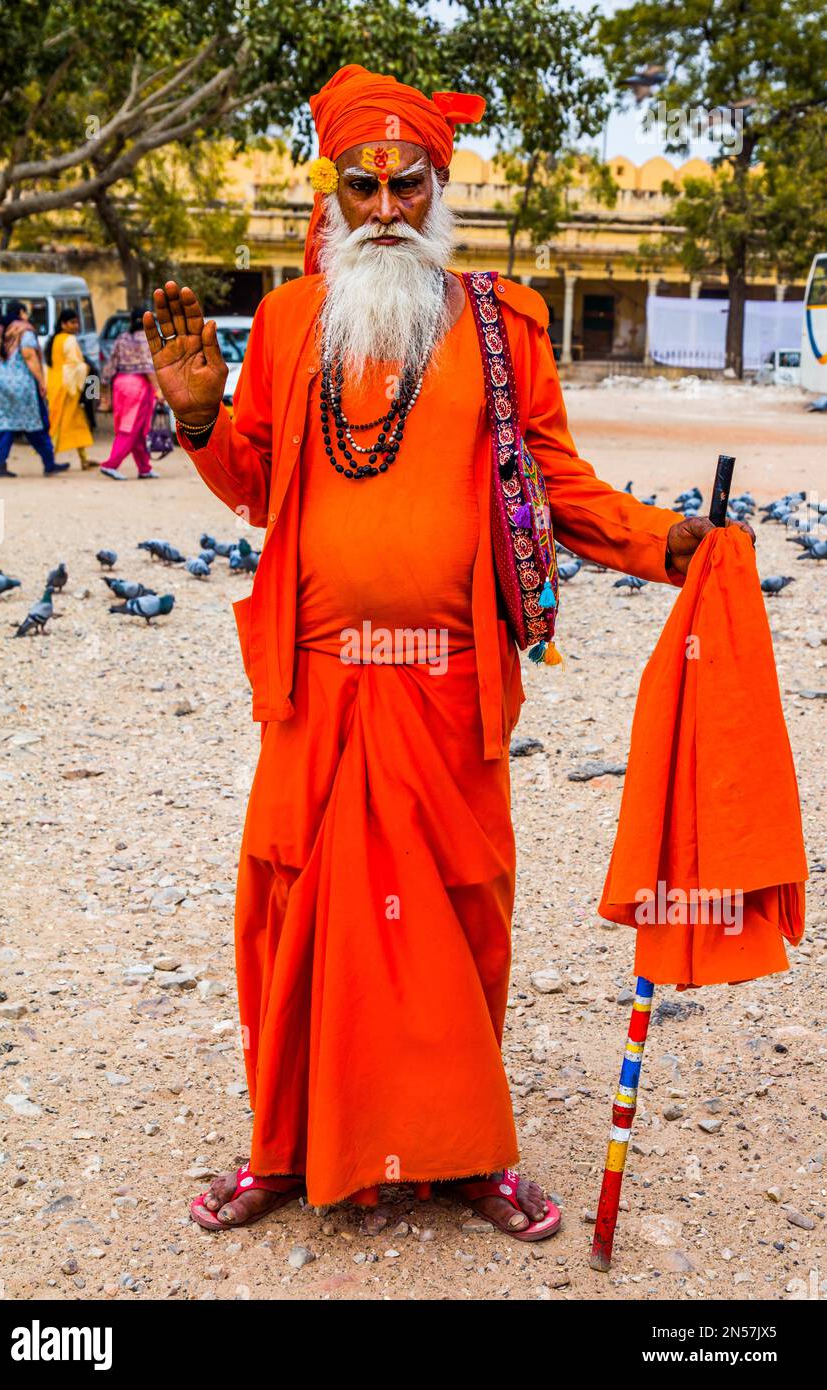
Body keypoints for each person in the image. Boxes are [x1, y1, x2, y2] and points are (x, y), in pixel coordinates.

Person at [145, 64, 755, 1240]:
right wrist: (197, 416)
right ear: (330, 195)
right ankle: (283, 1146)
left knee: (463, 912)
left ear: (437, 188)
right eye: (359, 186)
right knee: (286, 908)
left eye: (404, 184)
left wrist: (670, 544)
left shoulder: (501, 322)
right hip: (313, 681)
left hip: (444, 680)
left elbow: (556, 487)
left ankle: (465, 1152)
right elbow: (259, 488)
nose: (381, 207)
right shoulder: (283, 323)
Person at [0, 300, 69, 478]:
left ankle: (0, 466)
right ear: (21, 312)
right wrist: (42, 381)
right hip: (22, 384)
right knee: (36, 424)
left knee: (1, 425)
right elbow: (29, 356)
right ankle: (49, 463)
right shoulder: (25, 331)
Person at [99, 306, 162, 479]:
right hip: (139, 388)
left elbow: (110, 365)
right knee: (131, 428)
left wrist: (104, 387)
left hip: (120, 384)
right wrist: (158, 391)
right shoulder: (148, 339)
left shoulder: (122, 338)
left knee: (138, 429)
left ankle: (144, 468)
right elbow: (149, 368)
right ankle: (111, 464)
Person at [45, 308, 97, 469]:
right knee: (60, 424)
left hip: (56, 384)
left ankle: (84, 459)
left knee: (77, 422)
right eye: (72, 322)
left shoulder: (55, 340)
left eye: (76, 322)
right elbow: (74, 365)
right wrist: (88, 368)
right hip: (67, 388)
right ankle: (49, 460)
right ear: (63, 324)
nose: (76, 325)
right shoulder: (69, 340)